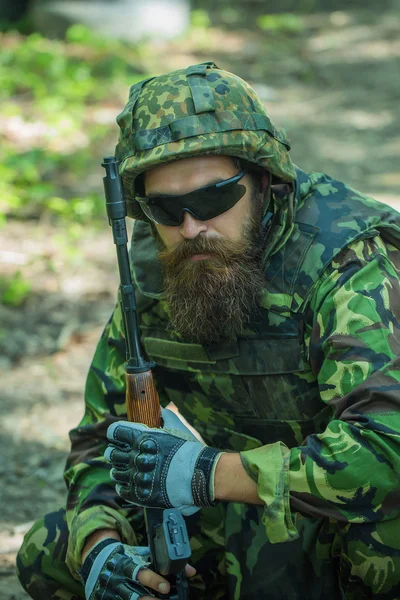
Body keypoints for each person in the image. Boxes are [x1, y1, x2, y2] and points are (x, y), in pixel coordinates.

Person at [17, 61, 400, 600]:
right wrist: (103, 545)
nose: (192, 228)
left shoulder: (344, 260)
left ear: (264, 179)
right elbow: (102, 441)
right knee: (53, 550)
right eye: (166, 209)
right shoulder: (154, 278)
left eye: (214, 199)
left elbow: (386, 450)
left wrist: (208, 475)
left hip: (337, 522)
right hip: (241, 518)